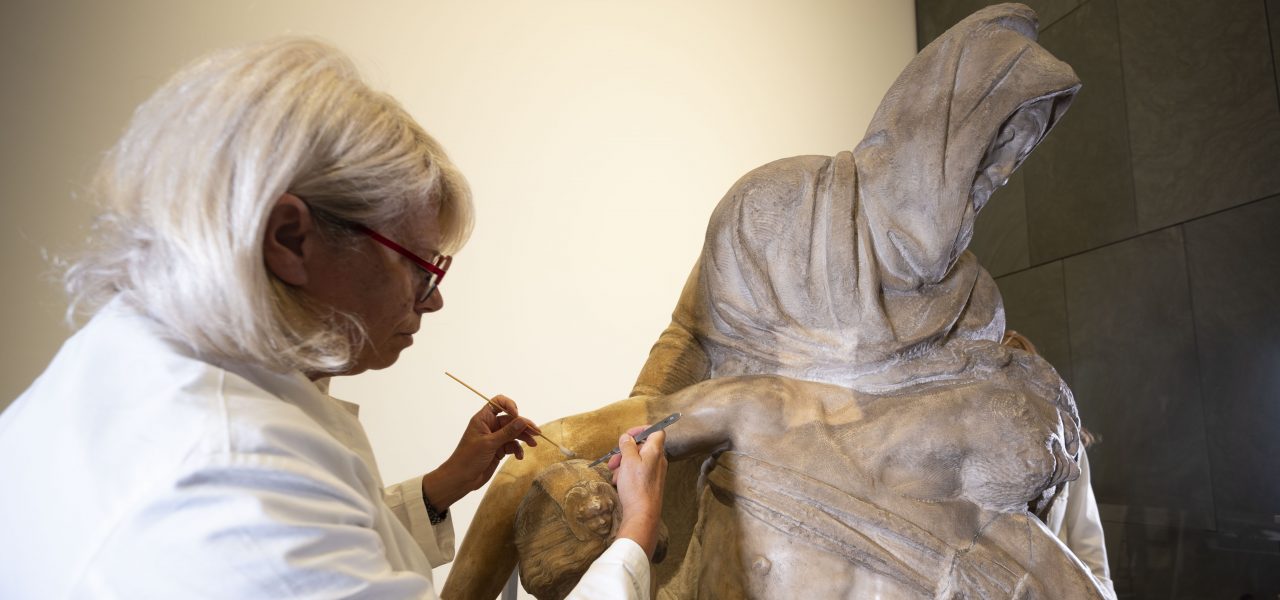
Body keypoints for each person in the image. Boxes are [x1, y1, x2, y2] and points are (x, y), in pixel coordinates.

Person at [0, 38, 666, 599]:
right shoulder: (229, 479)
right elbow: (290, 551)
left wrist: (439, 490)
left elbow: (330, 546)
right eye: (420, 266)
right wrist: (632, 539)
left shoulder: (125, 363)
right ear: (291, 238)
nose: (432, 301)